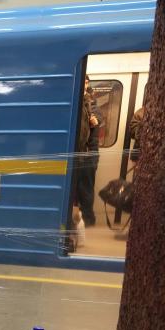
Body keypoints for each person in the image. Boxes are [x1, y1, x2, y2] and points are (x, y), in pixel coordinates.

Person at [72, 75, 101, 226]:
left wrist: (95, 122)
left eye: (85, 81)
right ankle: (77, 219)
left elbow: (97, 121)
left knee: (86, 189)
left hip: (89, 153)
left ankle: (89, 220)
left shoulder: (91, 101)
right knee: (75, 188)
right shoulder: (77, 100)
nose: (83, 84)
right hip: (80, 153)